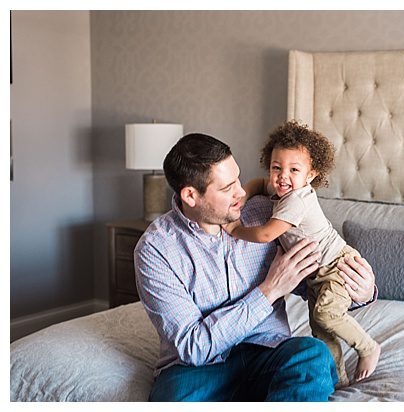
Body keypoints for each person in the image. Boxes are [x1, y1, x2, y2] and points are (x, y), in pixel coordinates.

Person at [136, 132, 378, 401]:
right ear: (190, 196)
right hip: (199, 369)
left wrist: (363, 292)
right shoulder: (156, 249)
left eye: (238, 179)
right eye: (227, 188)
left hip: (268, 352)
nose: (241, 192)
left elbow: (314, 281)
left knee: (313, 356)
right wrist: (269, 291)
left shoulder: (268, 214)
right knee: (172, 399)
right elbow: (194, 347)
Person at [227, 121, 380, 384]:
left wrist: (234, 229)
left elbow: (266, 234)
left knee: (325, 315)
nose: (282, 176)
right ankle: (338, 379)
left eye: (294, 170)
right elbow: (260, 183)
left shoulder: (297, 200)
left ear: (311, 175)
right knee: (320, 330)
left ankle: (368, 347)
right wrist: (244, 195)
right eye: (276, 167)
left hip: (336, 266)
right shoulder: (282, 189)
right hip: (316, 273)